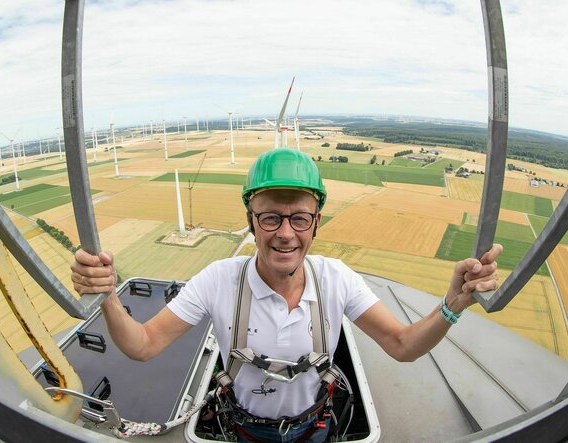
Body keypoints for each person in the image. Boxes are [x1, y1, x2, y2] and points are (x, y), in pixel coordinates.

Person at [71, 149, 502, 443]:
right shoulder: (218, 280)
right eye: (271, 217)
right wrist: (107, 295)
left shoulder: (336, 279)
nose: (284, 233)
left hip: (313, 428)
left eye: (299, 218)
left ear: (316, 223)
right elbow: (142, 346)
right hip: (244, 431)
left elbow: (403, 346)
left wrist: (453, 305)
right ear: (251, 221)